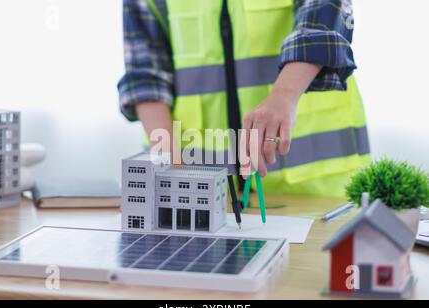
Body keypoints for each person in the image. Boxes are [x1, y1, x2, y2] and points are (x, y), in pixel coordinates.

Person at [118, 0, 370, 197]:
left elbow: (324, 19)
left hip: (315, 191)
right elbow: (145, 75)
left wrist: (284, 95)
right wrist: (172, 169)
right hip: (205, 192)